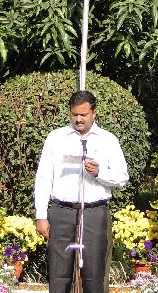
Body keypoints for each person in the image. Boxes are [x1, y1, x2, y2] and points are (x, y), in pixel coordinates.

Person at [34, 90, 129, 293]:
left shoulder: (108, 140)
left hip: (94, 213)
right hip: (62, 212)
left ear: (94, 113)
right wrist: (41, 215)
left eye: (83, 114)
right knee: (59, 274)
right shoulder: (56, 138)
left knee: (94, 274)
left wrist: (100, 173)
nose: (78, 119)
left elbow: (122, 177)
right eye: (74, 114)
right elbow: (43, 178)